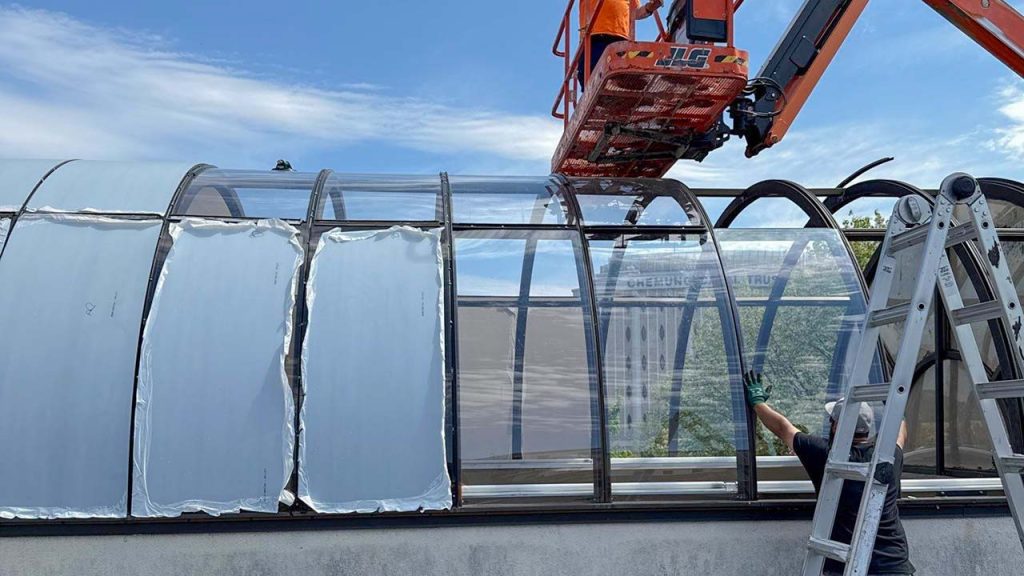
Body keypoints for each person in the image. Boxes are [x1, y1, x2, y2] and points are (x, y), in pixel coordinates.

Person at [743, 371, 915, 575]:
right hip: (893, 564)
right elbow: (899, 433)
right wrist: (896, 407)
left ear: (836, 426)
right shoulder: (887, 456)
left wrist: (757, 402)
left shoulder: (826, 455)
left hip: (847, 566)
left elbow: (783, 429)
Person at [578, 0, 663, 88]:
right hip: (595, 37)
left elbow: (635, 12)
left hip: (621, 39)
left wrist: (649, 8)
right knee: (590, 75)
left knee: (625, 74)